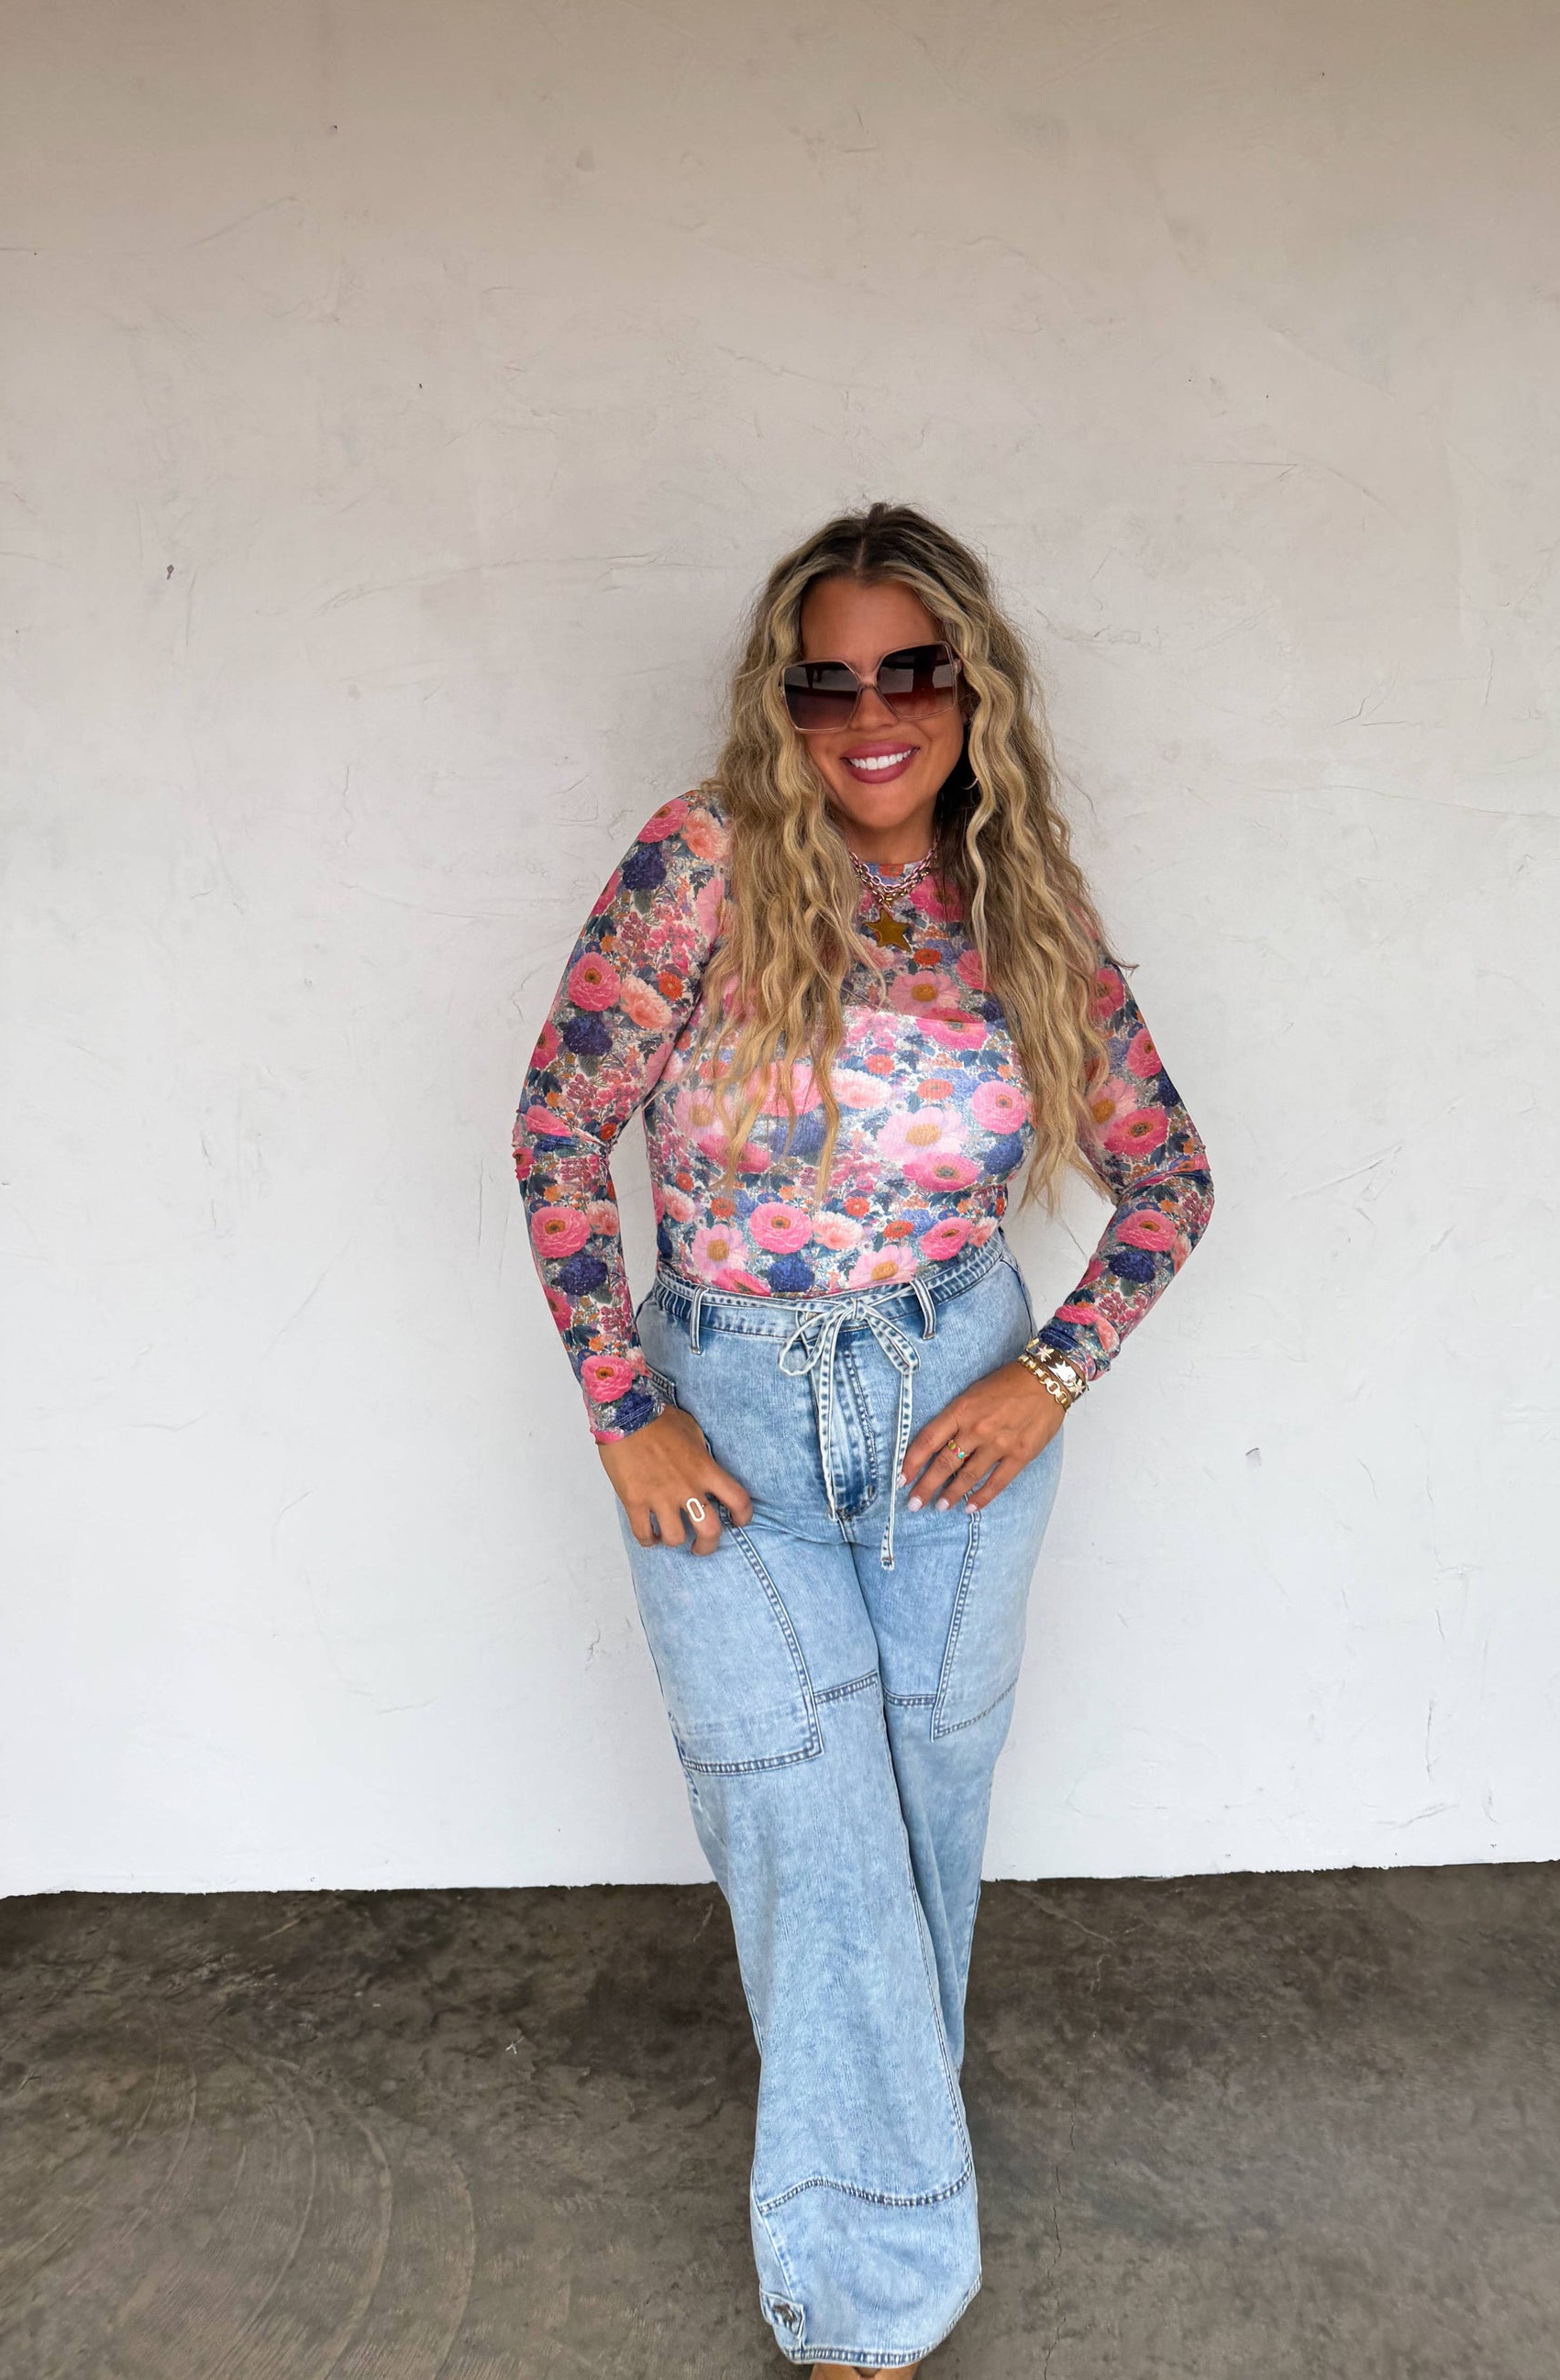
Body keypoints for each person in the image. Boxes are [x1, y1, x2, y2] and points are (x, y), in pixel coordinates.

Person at [512, 502, 1213, 2374]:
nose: (870, 714)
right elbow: (558, 1130)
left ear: (974, 689)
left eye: (912, 671)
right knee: (809, 1838)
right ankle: (869, 2305)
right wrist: (623, 1410)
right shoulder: (701, 862)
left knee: (914, 1841)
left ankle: (877, 2216)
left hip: (950, 1428)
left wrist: (1047, 1374)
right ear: (781, 703)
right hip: (726, 1427)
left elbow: (1171, 1180)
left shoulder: (1019, 900)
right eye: (824, 683)